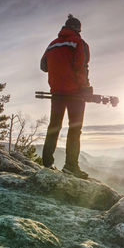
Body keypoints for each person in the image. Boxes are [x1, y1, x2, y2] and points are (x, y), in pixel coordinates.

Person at [40, 14, 90, 179]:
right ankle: (70, 166)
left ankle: (47, 163)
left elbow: (43, 66)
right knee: (75, 129)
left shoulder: (52, 44)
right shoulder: (79, 43)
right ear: (78, 29)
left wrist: (58, 70)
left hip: (56, 92)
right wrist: (86, 88)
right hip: (75, 93)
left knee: (54, 126)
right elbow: (81, 68)